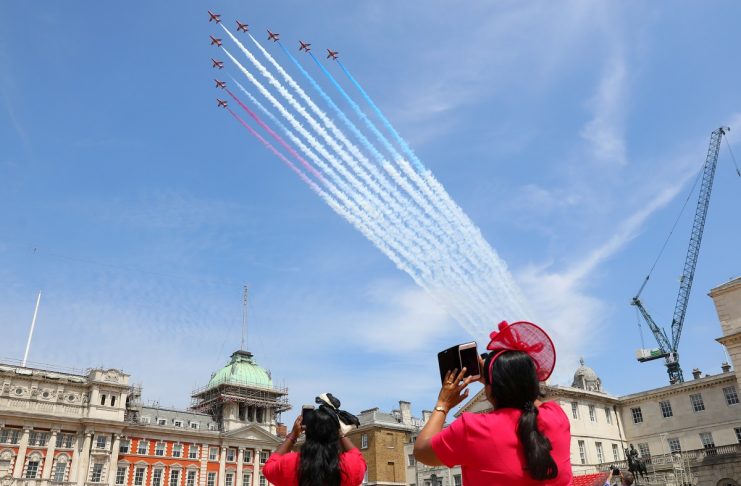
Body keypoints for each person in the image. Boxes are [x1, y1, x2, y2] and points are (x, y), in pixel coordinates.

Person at [413, 321, 572, 485]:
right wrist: (497, 379)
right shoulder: (557, 417)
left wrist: (443, 404)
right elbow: (528, 399)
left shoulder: (471, 429)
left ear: (489, 390)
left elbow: (421, 451)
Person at [263, 393, 366, 486]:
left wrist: (293, 435)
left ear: (307, 431)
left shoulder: (290, 463)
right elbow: (357, 456)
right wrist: (340, 433)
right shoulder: (349, 466)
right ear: (335, 432)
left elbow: (269, 467)